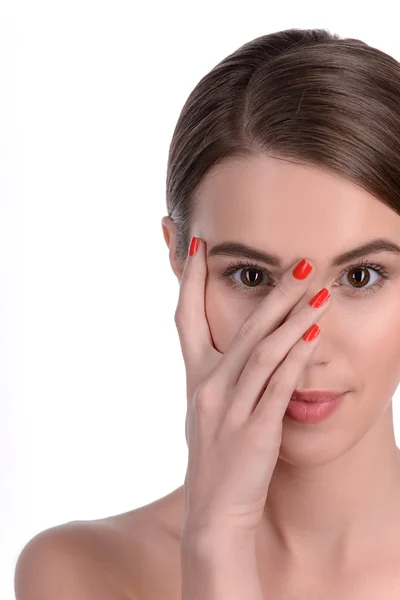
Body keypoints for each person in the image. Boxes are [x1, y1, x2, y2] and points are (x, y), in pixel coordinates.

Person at [14, 27, 400, 599]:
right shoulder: (79, 573)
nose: (306, 348)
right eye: (252, 277)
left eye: (360, 277)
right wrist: (216, 542)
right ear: (177, 257)